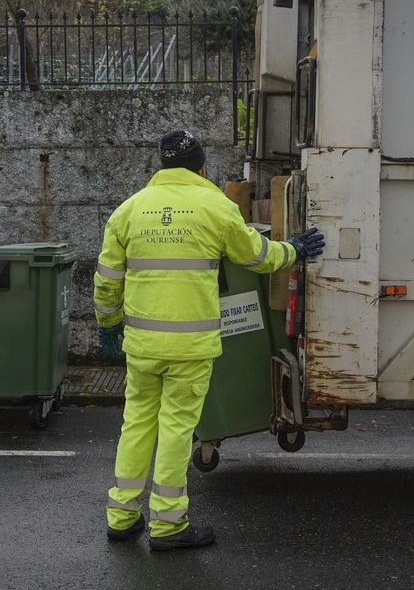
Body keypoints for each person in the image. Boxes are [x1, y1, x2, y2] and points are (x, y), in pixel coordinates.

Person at [94, 129, 325, 551]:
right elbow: (257, 257)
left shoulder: (128, 211)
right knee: (177, 429)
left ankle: (122, 516)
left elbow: (107, 281)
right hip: (189, 346)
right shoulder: (215, 207)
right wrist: (292, 249)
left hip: (142, 346)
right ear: (201, 166)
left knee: (137, 424)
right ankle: (167, 526)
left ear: (162, 167)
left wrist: (108, 325)